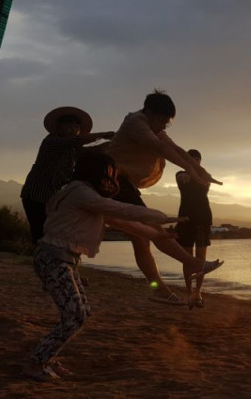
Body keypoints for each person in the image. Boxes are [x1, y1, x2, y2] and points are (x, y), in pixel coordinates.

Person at [23, 153, 221, 381]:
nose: (111, 179)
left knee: (81, 313)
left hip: (63, 261)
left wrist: (156, 234)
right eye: (108, 173)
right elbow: (120, 209)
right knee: (75, 315)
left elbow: (123, 222)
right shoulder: (80, 192)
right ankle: (36, 362)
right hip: (53, 259)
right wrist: (157, 216)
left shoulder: (86, 195)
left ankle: (46, 357)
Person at [106, 90, 223, 304]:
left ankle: (158, 289)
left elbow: (175, 148)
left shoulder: (153, 127)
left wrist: (201, 171)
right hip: (112, 181)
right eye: (161, 121)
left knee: (141, 238)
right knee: (151, 227)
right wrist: (191, 170)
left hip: (120, 182)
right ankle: (191, 263)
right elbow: (159, 147)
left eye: (166, 124)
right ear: (149, 113)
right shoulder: (137, 122)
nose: (162, 127)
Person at [21, 106, 115, 244]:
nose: (73, 129)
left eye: (76, 126)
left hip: (51, 196)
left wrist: (114, 143)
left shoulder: (74, 149)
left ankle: (44, 254)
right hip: (36, 194)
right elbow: (77, 141)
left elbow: (93, 151)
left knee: (50, 231)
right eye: (69, 125)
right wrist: (105, 135)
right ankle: (41, 255)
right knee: (41, 232)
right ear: (59, 126)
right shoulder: (52, 141)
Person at [175, 149, 213, 308]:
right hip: (185, 220)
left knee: (201, 259)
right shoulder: (180, 174)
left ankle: (198, 292)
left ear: (199, 162)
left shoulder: (205, 175)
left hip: (203, 220)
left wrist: (194, 174)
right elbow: (181, 178)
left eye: (196, 161)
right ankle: (189, 291)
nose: (193, 163)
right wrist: (187, 174)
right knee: (187, 258)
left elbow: (205, 180)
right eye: (189, 160)